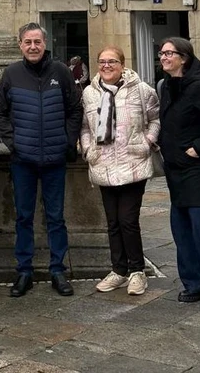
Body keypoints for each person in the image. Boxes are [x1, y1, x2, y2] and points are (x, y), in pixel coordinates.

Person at [0, 22, 82, 298]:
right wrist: (14, 142)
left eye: (37, 42)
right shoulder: (11, 73)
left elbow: (75, 109)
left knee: (56, 217)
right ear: (20, 45)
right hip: (23, 160)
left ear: (45, 43)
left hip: (55, 158)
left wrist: (67, 141)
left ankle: (58, 270)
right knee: (23, 217)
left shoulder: (61, 72)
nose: (33, 47)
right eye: (28, 42)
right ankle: (24, 271)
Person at [80, 46, 159, 295]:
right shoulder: (89, 93)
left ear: (122, 65)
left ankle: (137, 271)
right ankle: (119, 270)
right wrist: (87, 149)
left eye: (112, 61)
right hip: (103, 164)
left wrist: (147, 142)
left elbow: (156, 119)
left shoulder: (141, 90)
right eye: (102, 61)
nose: (106, 66)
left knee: (128, 220)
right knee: (113, 222)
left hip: (132, 163)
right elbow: (85, 127)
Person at [158, 36, 200, 302]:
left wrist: (199, 148)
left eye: (170, 53)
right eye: (162, 53)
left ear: (184, 58)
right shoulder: (167, 86)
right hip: (176, 172)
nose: (164, 57)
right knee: (182, 231)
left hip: (199, 172)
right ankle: (194, 284)